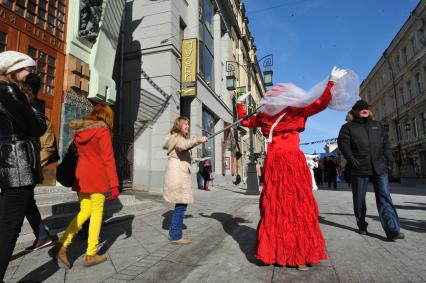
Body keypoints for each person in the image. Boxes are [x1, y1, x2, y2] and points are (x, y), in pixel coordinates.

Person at [237, 66, 355, 270]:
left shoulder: (266, 117)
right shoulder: (293, 112)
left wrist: (239, 103)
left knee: (277, 206)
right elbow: (319, 103)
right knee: (296, 205)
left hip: (276, 163)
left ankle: (276, 252)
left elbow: (246, 121)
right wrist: (330, 84)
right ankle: (297, 255)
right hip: (290, 162)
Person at [50, 104, 120, 269]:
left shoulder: (80, 132)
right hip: (97, 177)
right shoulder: (102, 131)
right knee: (96, 214)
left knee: (84, 212)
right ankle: (91, 254)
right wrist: (115, 184)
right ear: (107, 117)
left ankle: (62, 243)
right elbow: (108, 159)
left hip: (82, 177)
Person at [0, 51, 47, 281]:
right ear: (14, 69)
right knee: (10, 228)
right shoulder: (9, 90)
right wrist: (35, 109)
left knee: (6, 224)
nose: (31, 73)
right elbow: (39, 126)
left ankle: (43, 235)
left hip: (9, 163)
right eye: (28, 68)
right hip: (18, 165)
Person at [338, 99, 404, 240]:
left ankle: (392, 229)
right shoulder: (347, 127)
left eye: (366, 107)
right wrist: (350, 158)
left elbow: (385, 144)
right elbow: (343, 145)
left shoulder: (377, 125)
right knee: (359, 198)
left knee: (385, 197)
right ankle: (362, 224)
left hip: (379, 167)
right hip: (359, 167)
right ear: (354, 111)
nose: (364, 109)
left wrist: (390, 160)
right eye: (360, 107)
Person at [24, 73, 58, 251]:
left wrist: (32, 166)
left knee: (19, 205)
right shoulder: (26, 107)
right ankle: (43, 236)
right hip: (19, 167)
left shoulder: (35, 111)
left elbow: (48, 145)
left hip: (24, 168)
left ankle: (43, 236)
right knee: (27, 203)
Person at [162, 117, 208, 245]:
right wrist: (199, 139)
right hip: (178, 175)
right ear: (179, 125)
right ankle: (175, 236)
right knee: (181, 205)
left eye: (188, 124)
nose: (187, 126)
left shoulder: (177, 137)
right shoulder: (177, 137)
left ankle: (174, 233)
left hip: (178, 172)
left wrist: (196, 160)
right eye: (185, 124)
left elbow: (182, 156)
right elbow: (182, 147)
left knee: (181, 205)